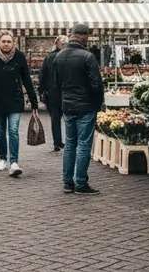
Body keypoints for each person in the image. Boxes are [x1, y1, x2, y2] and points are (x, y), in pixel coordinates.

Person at [54, 23, 104, 195]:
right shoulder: (88, 56)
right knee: (83, 145)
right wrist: (98, 103)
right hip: (85, 105)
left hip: (68, 105)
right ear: (85, 36)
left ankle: (68, 182)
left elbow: (57, 83)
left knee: (70, 144)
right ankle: (81, 183)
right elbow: (96, 84)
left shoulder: (59, 56)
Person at [0, 30, 38, 177]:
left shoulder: (19, 57)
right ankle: (2, 159)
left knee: (13, 130)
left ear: (13, 43)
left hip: (15, 98)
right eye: (3, 41)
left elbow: (26, 78)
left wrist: (34, 101)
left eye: (9, 41)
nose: (6, 44)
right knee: (0, 132)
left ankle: (14, 161)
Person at [38, 35, 67, 152]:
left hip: (52, 93)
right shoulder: (69, 57)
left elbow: (42, 76)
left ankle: (57, 142)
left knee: (55, 119)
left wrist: (42, 91)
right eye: (64, 43)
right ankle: (67, 141)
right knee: (69, 118)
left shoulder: (49, 57)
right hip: (66, 93)